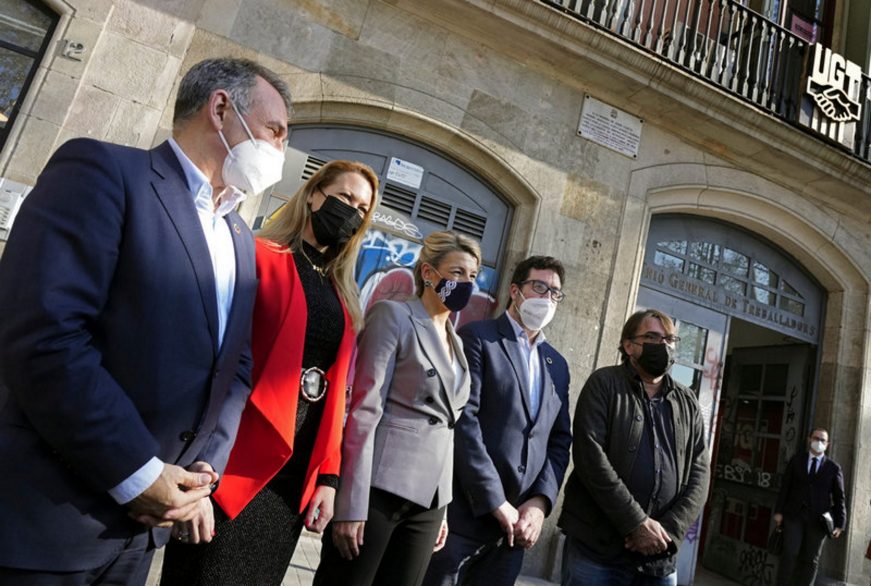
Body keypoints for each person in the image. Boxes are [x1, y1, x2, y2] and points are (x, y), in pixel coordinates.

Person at [0, 57, 291, 584]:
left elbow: (236, 366)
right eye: (275, 131)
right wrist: (137, 474)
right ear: (221, 108)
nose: (280, 151)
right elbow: (47, 336)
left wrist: (206, 472)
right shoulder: (103, 172)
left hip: (142, 538)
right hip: (49, 523)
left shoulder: (240, 239)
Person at [160, 160, 378, 584]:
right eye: (346, 197)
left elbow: (336, 395)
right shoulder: (259, 256)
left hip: (292, 477)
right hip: (236, 458)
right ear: (314, 194)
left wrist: (328, 479)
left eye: (362, 208)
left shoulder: (344, 291)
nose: (352, 211)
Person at [314, 230, 482, 586]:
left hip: (430, 501)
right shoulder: (394, 315)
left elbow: (447, 429)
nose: (466, 282)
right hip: (379, 489)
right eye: (457, 273)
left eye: (472, 276)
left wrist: (443, 506)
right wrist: (352, 502)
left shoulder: (458, 344)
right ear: (428, 273)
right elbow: (365, 409)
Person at [423, 255, 572, 586]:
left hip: (512, 535)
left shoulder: (557, 365)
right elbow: (465, 422)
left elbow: (560, 440)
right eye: (539, 287)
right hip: (464, 518)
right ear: (515, 291)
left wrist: (539, 504)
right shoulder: (478, 337)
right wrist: (495, 500)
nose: (547, 298)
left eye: (555, 293)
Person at [558, 309, 710, 586]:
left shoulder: (687, 401)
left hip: (659, 558)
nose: (662, 345)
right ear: (629, 345)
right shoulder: (604, 384)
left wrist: (667, 532)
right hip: (597, 549)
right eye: (652, 337)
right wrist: (636, 524)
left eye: (669, 339)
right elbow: (590, 457)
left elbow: (700, 473)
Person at [774, 427, 846, 586]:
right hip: (795, 515)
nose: (818, 442)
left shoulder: (834, 468)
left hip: (818, 521)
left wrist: (840, 524)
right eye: (816, 438)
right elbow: (785, 487)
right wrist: (779, 512)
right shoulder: (796, 460)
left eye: (822, 440)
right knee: (789, 552)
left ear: (827, 444)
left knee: (811, 559)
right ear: (809, 439)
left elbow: (839, 497)